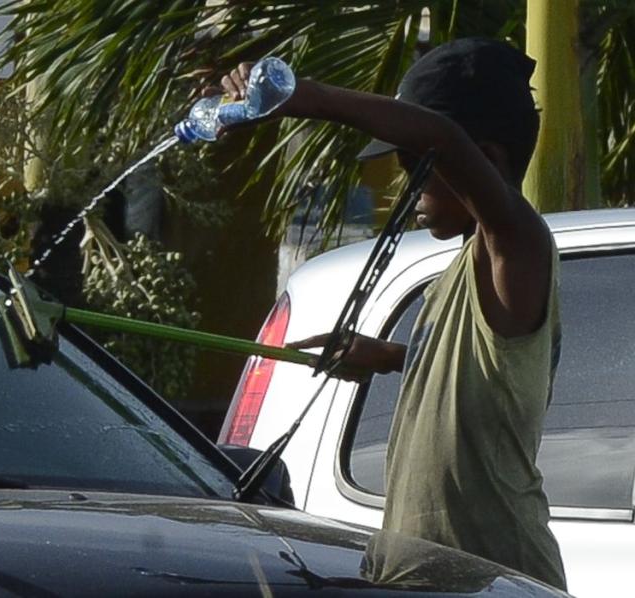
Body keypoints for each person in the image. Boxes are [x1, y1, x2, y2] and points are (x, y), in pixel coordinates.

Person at [211, 38, 567, 590]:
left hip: (495, 579)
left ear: (486, 162)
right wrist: (393, 357)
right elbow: (485, 376)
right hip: (427, 577)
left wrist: (304, 97)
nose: (408, 188)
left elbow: (443, 137)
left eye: (415, 165)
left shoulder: (517, 246)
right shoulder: (462, 273)